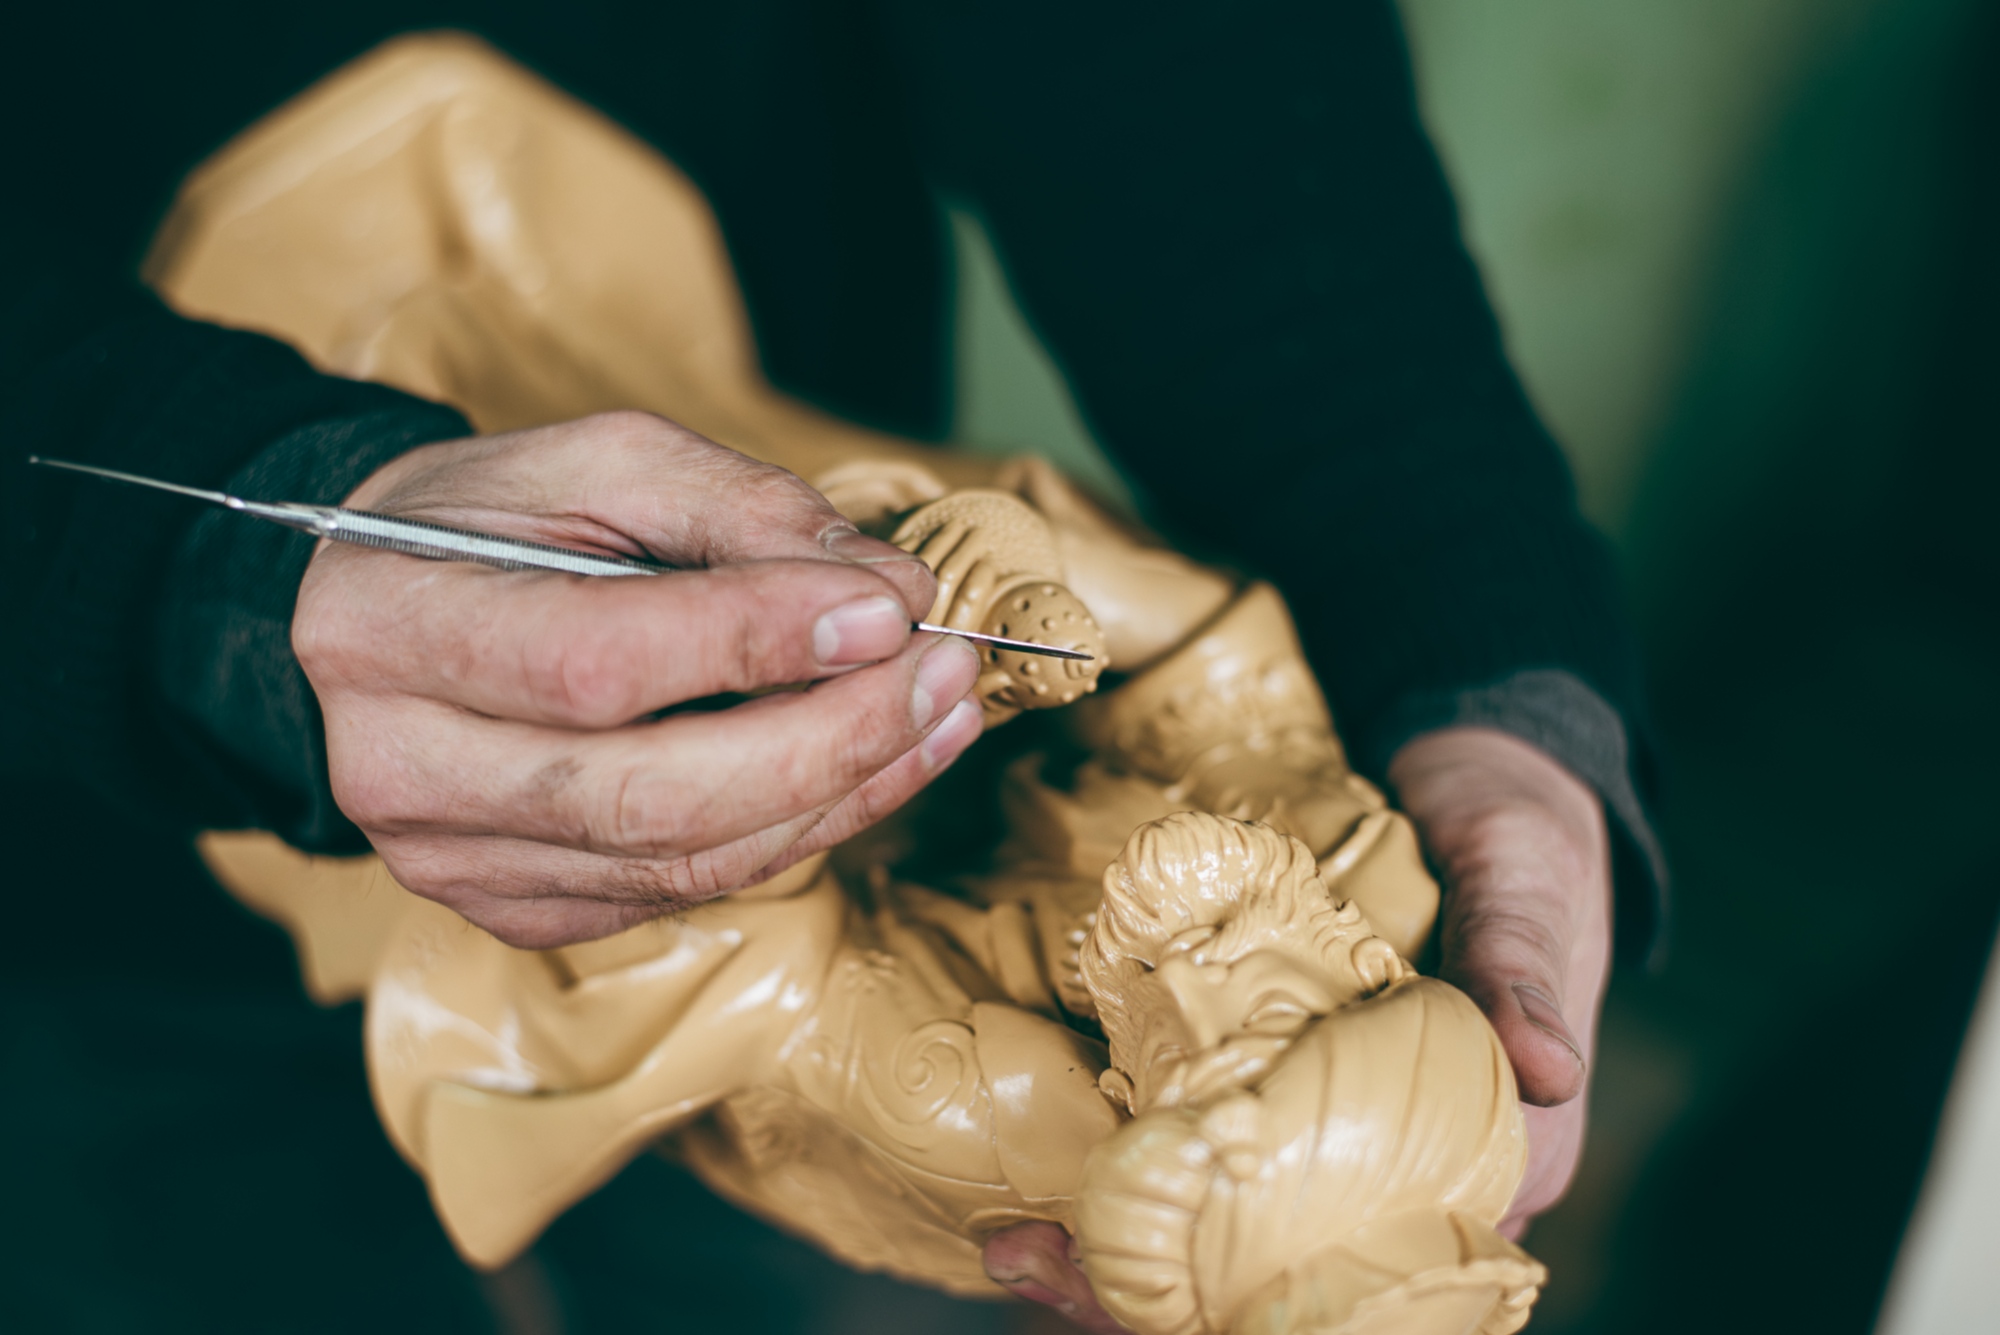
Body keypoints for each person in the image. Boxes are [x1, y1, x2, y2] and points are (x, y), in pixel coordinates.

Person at [0, 2, 1662, 1329]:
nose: (1229, 983)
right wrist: (166, 564)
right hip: (77, 856)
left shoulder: (1043, 1075)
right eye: (1284, 1006)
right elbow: (1183, 644)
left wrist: (1467, 646)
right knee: (203, 1247)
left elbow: (761, 975)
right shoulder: (1286, 889)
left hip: (713, 751)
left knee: (776, 1279)